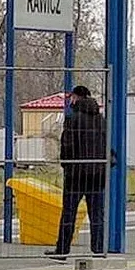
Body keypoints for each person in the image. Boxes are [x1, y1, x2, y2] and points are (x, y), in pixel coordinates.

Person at [49, 85, 106, 259]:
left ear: (76, 97)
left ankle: (62, 250)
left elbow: (67, 146)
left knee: (69, 213)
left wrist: (66, 165)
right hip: (97, 173)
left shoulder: (72, 119)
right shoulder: (101, 120)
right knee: (96, 214)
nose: (70, 100)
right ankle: (98, 249)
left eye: (71, 97)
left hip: (76, 174)